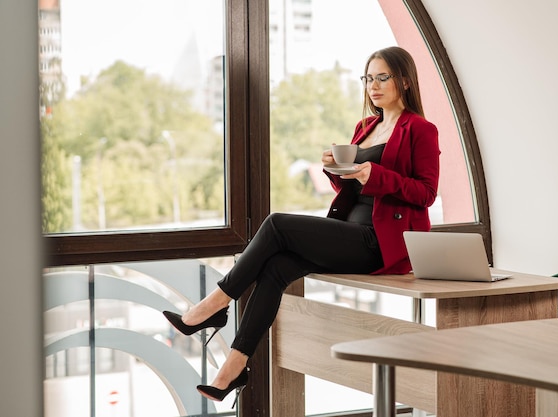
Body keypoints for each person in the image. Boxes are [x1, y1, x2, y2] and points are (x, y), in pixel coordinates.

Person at [163, 45, 440, 406]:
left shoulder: (420, 129)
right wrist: (335, 170)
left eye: (382, 77)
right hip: (352, 234)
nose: (373, 85)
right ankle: (233, 368)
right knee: (277, 267)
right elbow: (351, 189)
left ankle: (213, 305)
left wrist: (377, 174)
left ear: (404, 80)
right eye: (368, 78)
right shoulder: (365, 127)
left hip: (381, 243)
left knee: (277, 224)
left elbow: (426, 193)